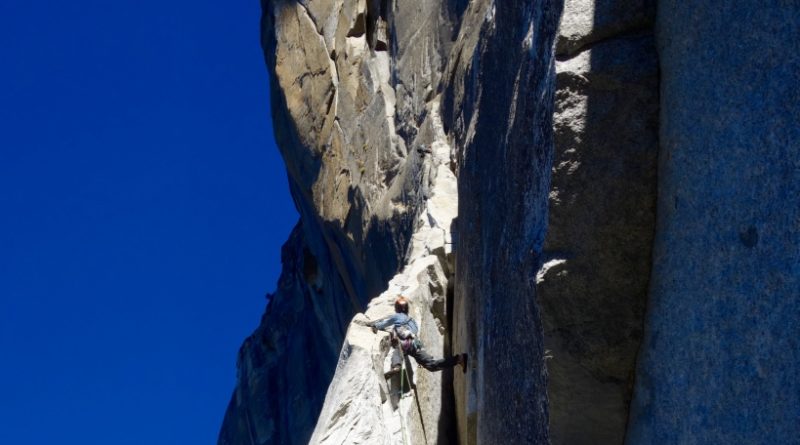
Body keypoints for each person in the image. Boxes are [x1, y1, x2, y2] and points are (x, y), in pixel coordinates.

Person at [366, 296, 468, 375]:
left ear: (397, 308)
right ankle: (459, 359)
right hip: (417, 345)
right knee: (431, 365)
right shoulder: (412, 321)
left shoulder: (397, 316)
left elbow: (384, 324)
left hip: (406, 344)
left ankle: (396, 366)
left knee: (398, 350)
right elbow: (413, 333)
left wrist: (374, 326)